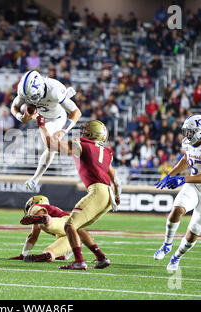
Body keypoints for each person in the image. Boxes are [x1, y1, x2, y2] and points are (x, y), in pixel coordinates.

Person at [36, 117, 121, 270]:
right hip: (108, 194)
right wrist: (117, 196)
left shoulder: (82, 145)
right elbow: (117, 180)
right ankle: (101, 258)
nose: (83, 133)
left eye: (86, 131)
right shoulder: (106, 152)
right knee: (78, 227)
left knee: (69, 225)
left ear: (91, 134)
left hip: (98, 191)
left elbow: (51, 145)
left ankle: (79, 261)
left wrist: (41, 125)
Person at [154, 115, 201, 271]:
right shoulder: (187, 142)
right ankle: (166, 244)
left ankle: (176, 257)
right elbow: (186, 159)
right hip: (193, 186)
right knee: (177, 210)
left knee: (194, 232)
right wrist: (170, 174)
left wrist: (182, 179)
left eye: (190, 131)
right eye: (186, 131)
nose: (186, 135)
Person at [10, 70, 81, 190]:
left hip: (57, 118)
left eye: (34, 97)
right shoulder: (24, 90)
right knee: (50, 146)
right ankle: (35, 178)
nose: (34, 101)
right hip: (41, 116)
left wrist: (63, 131)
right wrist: (21, 118)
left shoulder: (54, 89)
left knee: (51, 146)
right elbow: (14, 107)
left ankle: (35, 178)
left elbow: (76, 112)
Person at [9, 195, 73, 263]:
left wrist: (23, 254)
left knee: (43, 224)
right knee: (49, 252)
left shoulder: (41, 207)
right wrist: (65, 256)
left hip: (66, 223)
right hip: (72, 234)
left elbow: (33, 236)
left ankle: (47, 219)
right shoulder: (51, 209)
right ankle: (49, 255)